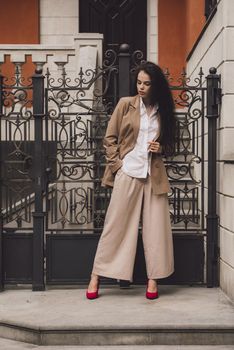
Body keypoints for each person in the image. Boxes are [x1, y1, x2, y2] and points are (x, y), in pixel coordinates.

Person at [86, 61, 176, 300]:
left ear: (155, 86)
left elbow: (171, 144)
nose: (142, 87)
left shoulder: (163, 110)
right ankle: (96, 275)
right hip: (128, 172)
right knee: (115, 227)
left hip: (153, 176)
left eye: (147, 83)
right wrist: (118, 165)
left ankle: (153, 280)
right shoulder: (125, 105)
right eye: (139, 82)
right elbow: (110, 138)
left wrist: (162, 147)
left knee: (156, 232)